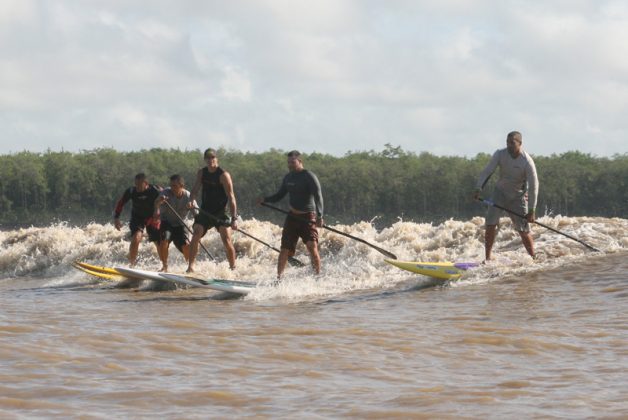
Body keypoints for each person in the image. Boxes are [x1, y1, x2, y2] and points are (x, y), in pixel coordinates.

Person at [473, 131, 539, 261]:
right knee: (490, 225)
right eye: (507, 142)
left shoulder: (527, 162)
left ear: (520, 143)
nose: (509, 145)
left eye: (512, 143)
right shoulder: (500, 154)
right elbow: (487, 171)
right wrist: (478, 188)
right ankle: (487, 259)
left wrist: (531, 210)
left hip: (518, 197)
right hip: (500, 193)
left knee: (523, 230)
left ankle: (534, 258)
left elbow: (534, 187)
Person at [257, 150, 324, 278]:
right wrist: (265, 200)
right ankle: (279, 279)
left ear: (300, 162)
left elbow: (318, 196)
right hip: (292, 217)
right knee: (284, 250)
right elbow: (279, 195)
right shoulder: (288, 177)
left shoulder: (308, 176)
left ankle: (317, 277)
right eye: (288, 163)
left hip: (308, 217)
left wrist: (320, 216)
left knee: (312, 246)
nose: (290, 165)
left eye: (292, 162)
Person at [186, 148, 238, 272]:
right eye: (208, 158)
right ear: (205, 160)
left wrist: (234, 218)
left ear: (216, 159)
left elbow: (231, 197)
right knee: (196, 234)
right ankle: (191, 267)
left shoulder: (223, 175)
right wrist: (191, 200)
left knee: (226, 239)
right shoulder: (202, 173)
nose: (210, 160)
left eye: (212, 158)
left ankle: (233, 268)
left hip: (221, 212)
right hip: (205, 211)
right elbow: (194, 190)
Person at [113, 173, 162, 266]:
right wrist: (116, 218)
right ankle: (132, 265)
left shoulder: (155, 190)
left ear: (146, 183)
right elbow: (121, 203)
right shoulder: (131, 191)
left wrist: (159, 212)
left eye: (139, 185)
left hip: (152, 218)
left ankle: (164, 265)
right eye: (136, 184)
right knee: (136, 238)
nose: (137, 187)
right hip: (137, 217)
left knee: (157, 241)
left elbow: (166, 200)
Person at [153, 174, 197, 272]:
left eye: (175, 186)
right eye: (171, 185)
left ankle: (190, 268)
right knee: (164, 241)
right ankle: (165, 267)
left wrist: (198, 228)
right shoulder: (166, 192)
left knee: (186, 245)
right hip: (167, 223)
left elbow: (197, 216)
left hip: (181, 224)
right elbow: (156, 203)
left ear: (182, 186)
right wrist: (159, 203)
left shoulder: (188, 196)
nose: (172, 188)